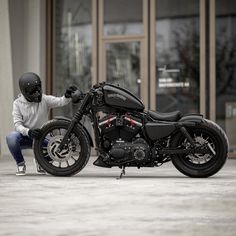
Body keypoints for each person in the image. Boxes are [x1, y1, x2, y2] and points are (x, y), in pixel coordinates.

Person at [6, 72, 77, 176]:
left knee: (57, 147)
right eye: (34, 92)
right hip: (25, 136)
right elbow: (17, 125)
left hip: (42, 137)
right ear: (25, 92)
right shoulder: (17, 104)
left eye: (38, 89)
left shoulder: (44, 99)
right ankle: (20, 163)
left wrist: (67, 96)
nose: (38, 93)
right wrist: (29, 132)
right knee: (11, 138)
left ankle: (40, 161)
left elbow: (60, 101)